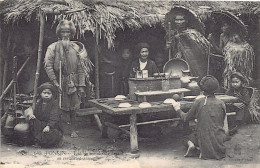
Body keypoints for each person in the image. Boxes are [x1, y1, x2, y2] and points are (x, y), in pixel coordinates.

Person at [44, 20, 87, 138]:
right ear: (59, 33)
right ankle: (61, 130)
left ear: (71, 33)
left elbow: (81, 67)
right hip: (59, 80)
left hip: (74, 81)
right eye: (63, 31)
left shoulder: (76, 47)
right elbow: (48, 66)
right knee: (61, 107)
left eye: (67, 31)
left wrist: (81, 85)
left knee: (74, 107)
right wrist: (55, 82)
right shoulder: (52, 48)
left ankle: (73, 129)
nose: (65, 34)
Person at [172, 75, 227, 160]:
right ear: (216, 88)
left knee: (185, 138)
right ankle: (201, 147)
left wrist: (177, 109)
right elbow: (221, 121)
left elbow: (185, 118)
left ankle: (193, 145)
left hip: (204, 138)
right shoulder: (221, 103)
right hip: (219, 142)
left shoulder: (199, 102)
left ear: (202, 89)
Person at [165, 7, 210, 79]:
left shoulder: (192, 33)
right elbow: (168, 49)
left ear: (185, 21)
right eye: (177, 20)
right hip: (176, 60)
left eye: (181, 20)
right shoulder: (171, 34)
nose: (179, 22)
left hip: (191, 59)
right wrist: (168, 46)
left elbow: (199, 48)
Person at [28, 82, 63, 148]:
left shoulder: (54, 104)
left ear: (52, 95)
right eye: (44, 93)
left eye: (48, 93)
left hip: (52, 126)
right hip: (41, 124)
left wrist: (49, 126)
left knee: (52, 134)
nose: (46, 95)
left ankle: (39, 140)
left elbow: (54, 117)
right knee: (32, 121)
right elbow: (36, 114)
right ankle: (38, 139)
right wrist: (32, 116)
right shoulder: (39, 103)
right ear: (41, 94)